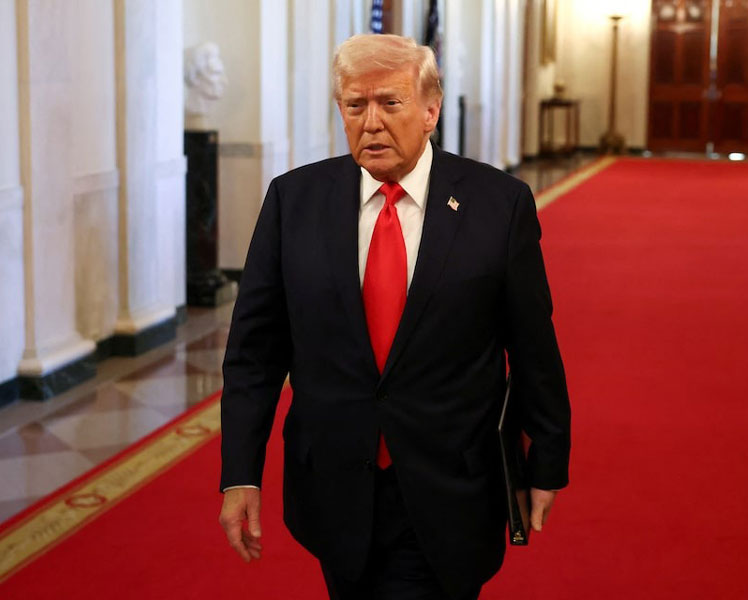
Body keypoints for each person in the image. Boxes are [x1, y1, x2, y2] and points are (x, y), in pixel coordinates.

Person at [218, 33, 571, 600]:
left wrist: (546, 463)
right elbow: (254, 355)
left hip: (449, 483)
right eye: (355, 106)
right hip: (333, 485)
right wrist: (240, 471)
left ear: (431, 110)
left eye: (390, 103)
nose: (371, 122)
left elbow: (532, 348)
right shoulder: (293, 202)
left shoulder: (498, 204)